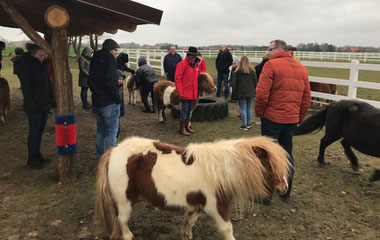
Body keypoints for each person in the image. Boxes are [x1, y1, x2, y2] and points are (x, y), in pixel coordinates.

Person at [255, 39, 311, 203]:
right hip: (291, 119)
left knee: (267, 155)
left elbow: (261, 93)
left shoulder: (271, 65)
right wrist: (299, 117)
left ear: (278, 49)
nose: (268, 52)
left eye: (270, 48)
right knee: (287, 154)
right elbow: (306, 97)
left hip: (272, 118)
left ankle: (266, 195)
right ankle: (286, 190)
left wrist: (260, 112)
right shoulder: (301, 68)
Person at [18, 43, 56, 169]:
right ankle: (31, 158)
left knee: (40, 132)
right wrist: (31, 104)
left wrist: (52, 100)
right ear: (33, 54)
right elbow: (26, 88)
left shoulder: (42, 65)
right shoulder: (26, 66)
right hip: (34, 106)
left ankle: (37, 154)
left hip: (44, 105)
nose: (43, 57)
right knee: (34, 132)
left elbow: (47, 84)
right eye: (41, 55)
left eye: (44, 55)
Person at [88, 39, 121, 159]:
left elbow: (90, 80)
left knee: (101, 132)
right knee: (112, 132)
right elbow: (110, 82)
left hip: (97, 102)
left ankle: (100, 158)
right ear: (110, 50)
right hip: (109, 102)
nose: (116, 52)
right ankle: (110, 161)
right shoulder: (110, 61)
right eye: (115, 50)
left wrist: (97, 92)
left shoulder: (94, 60)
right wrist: (117, 99)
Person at [175, 46, 204, 136]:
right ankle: (182, 128)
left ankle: (187, 126)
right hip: (185, 93)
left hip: (193, 93)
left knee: (189, 111)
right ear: (189, 55)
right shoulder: (182, 64)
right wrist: (179, 91)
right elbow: (177, 78)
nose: (194, 57)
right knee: (184, 111)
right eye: (192, 55)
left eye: (195, 55)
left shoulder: (196, 66)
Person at [234, 56, 257, 130]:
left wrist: (236, 92)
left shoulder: (237, 72)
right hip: (250, 91)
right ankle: (248, 123)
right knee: (249, 108)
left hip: (241, 91)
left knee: (243, 108)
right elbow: (255, 82)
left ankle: (244, 124)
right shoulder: (252, 71)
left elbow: (235, 84)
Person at [116, 69, 126, 138]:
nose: (121, 81)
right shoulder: (113, 87)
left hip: (118, 109)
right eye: (119, 79)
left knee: (118, 129)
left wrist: (122, 111)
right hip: (114, 109)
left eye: (122, 79)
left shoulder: (120, 86)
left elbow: (121, 100)